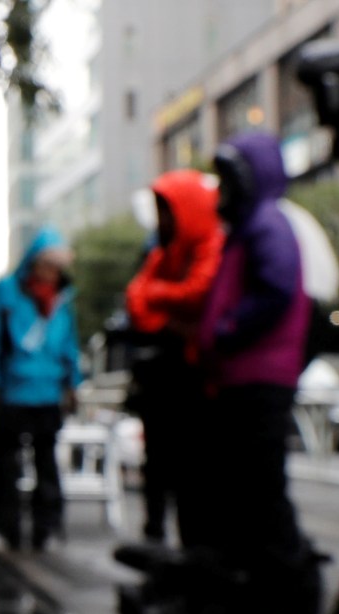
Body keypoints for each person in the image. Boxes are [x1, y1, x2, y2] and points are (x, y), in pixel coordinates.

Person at [196, 132, 318, 614]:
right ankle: (258, 599)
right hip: (244, 376)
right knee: (248, 492)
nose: (221, 189)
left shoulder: (267, 225)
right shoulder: (249, 228)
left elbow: (275, 288)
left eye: (228, 177)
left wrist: (225, 330)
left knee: (264, 492)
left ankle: (294, 607)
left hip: (260, 377)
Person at [123, 169, 224, 547]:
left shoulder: (212, 246)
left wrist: (158, 301)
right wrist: (169, 310)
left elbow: (197, 293)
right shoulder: (163, 253)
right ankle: (156, 537)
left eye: (167, 210)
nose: (162, 220)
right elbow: (136, 301)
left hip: (195, 381)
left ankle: (192, 549)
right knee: (158, 462)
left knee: (191, 472)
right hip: (163, 380)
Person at [0, 226, 82, 553]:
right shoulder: (5, 294)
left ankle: (46, 527)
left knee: (47, 463)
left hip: (47, 394)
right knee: (7, 464)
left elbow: (69, 346)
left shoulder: (61, 301)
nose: (51, 273)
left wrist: (73, 383)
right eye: (46, 265)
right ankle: (6, 527)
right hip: (10, 394)